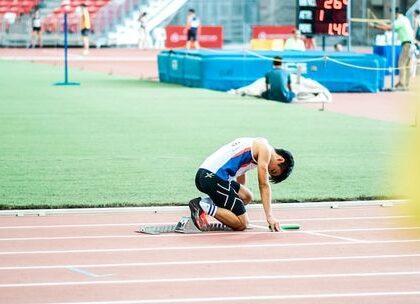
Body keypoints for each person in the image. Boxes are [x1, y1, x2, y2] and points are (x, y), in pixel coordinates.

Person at [189, 137, 294, 232]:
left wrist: (235, 199)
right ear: (280, 159)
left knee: (246, 197)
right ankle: (201, 206)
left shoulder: (257, 144)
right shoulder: (265, 150)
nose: (269, 171)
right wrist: (269, 216)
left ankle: (207, 202)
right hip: (213, 178)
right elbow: (263, 184)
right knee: (242, 224)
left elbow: (241, 171)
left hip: (205, 175)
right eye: (273, 170)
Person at [370, 7, 414, 90]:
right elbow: (389, 27)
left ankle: (402, 84)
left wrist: (375, 26)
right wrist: (379, 24)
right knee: (406, 65)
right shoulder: (405, 19)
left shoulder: (400, 20)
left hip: (407, 44)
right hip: (410, 44)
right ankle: (405, 84)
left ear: (395, 13)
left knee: (401, 64)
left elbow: (388, 28)